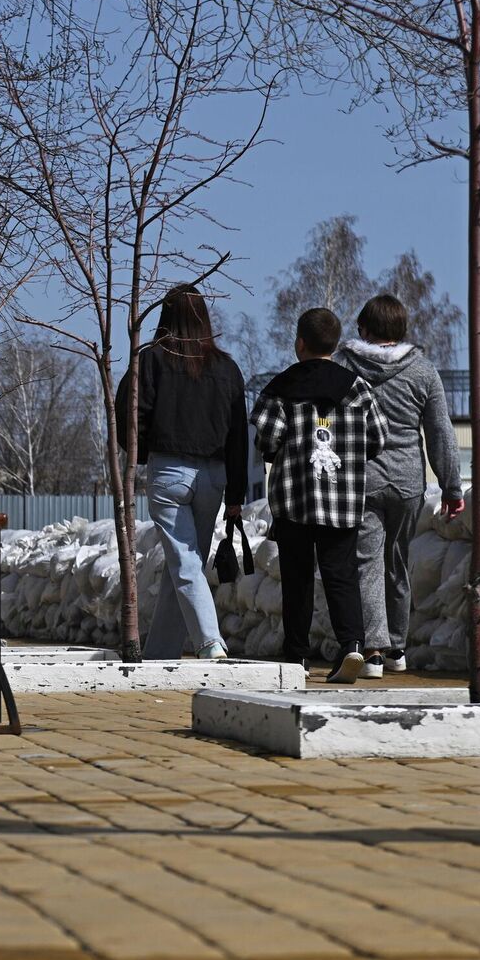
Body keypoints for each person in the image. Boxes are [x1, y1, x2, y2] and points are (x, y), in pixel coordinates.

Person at [252, 307, 388, 684]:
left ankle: (297, 656)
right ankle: (352, 646)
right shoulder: (357, 386)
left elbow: (266, 438)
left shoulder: (279, 387)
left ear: (300, 343)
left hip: (294, 501)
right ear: (335, 343)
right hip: (343, 502)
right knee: (341, 574)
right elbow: (379, 436)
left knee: (297, 579)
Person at [335, 294, 465, 678]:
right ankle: (397, 648)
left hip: (362, 479)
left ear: (365, 329)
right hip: (409, 482)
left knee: (367, 562)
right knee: (397, 562)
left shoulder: (345, 367)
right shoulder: (423, 371)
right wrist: (452, 488)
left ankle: (372, 650)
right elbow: (440, 432)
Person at [118, 285, 249, 660]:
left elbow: (131, 414)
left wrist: (139, 454)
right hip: (214, 477)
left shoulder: (152, 359)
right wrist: (237, 494)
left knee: (185, 562)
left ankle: (209, 642)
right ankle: (161, 653)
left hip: (169, 471)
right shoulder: (227, 368)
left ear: (165, 316)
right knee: (184, 564)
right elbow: (239, 434)